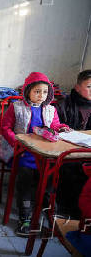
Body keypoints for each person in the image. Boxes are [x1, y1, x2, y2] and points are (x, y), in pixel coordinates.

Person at [0, 72, 70, 236]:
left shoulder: (51, 110)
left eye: (44, 92)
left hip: (45, 154)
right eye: (37, 91)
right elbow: (5, 128)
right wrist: (16, 142)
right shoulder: (16, 107)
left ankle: (46, 207)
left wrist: (62, 128)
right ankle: (24, 216)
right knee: (25, 179)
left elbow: (56, 125)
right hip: (22, 152)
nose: (41, 95)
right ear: (27, 91)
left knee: (51, 178)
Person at [54, 70, 91, 218]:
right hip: (65, 152)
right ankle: (66, 209)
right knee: (71, 170)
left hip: (87, 151)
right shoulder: (63, 105)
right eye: (89, 86)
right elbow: (55, 129)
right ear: (77, 87)